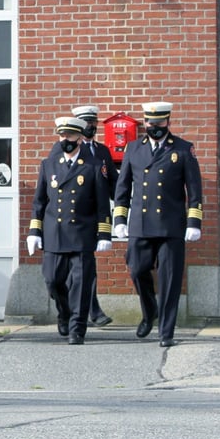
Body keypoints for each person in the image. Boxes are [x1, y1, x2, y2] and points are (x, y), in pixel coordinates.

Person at [113, 102, 203, 348]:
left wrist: (194, 222)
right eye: (150, 123)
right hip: (140, 225)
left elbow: (194, 190)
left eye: (159, 122)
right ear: (145, 123)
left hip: (171, 226)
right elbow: (122, 189)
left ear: (168, 122)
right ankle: (149, 310)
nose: (155, 127)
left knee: (169, 280)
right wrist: (120, 219)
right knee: (137, 269)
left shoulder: (182, 149)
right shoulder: (134, 148)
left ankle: (166, 332)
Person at [29, 116, 113, 345]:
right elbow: (39, 202)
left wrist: (104, 233)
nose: (66, 139)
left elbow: (102, 204)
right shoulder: (49, 164)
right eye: (62, 135)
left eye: (70, 135)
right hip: (54, 234)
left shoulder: (93, 166)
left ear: (80, 138)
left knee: (81, 285)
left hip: (81, 234)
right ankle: (64, 312)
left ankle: (77, 328)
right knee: (52, 280)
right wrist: (34, 231)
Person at [71, 104, 119, 327]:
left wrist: (124, 203)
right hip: (72, 218)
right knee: (72, 269)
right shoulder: (65, 149)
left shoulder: (102, 151)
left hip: (94, 217)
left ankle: (93, 310)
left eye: (93, 122)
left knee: (86, 265)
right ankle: (75, 307)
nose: (90, 126)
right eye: (86, 122)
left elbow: (113, 183)